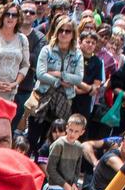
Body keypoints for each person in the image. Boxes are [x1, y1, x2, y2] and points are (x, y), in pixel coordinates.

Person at [28, 17, 84, 154]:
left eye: (68, 31)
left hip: (64, 101)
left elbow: (78, 78)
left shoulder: (77, 54)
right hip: (43, 97)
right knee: (32, 137)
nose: (64, 34)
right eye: (61, 30)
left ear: (73, 34)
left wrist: (58, 73)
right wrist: (59, 81)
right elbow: (41, 74)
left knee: (53, 140)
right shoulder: (47, 50)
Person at [43, 113, 93, 190]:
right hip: (56, 184)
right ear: (67, 128)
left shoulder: (79, 147)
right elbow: (50, 169)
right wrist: (65, 185)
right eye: (70, 130)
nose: (72, 134)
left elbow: (77, 169)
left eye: (76, 131)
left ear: (82, 132)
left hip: (70, 186)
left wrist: (74, 184)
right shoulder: (58, 144)